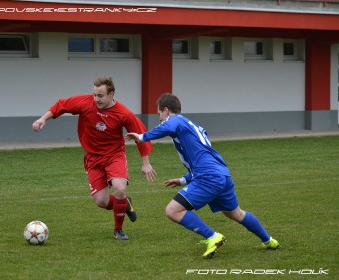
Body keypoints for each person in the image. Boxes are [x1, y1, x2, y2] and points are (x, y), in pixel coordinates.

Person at [125, 93, 279, 258]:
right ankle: (269, 240)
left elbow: (169, 126)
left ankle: (213, 237)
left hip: (208, 177)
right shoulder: (192, 127)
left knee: (172, 211)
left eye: (159, 114)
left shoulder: (175, 120)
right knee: (235, 213)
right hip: (221, 174)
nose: (160, 118)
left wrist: (142, 137)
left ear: (167, 111)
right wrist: (184, 180)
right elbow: (203, 159)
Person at [32, 76, 157, 240]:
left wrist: (145, 163)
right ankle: (125, 203)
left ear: (111, 94)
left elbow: (140, 136)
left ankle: (118, 230)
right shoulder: (85, 103)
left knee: (119, 188)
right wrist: (42, 119)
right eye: (94, 95)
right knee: (101, 201)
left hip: (114, 156)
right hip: (93, 158)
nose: (96, 99)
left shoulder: (124, 113)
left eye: (100, 96)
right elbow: (61, 105)